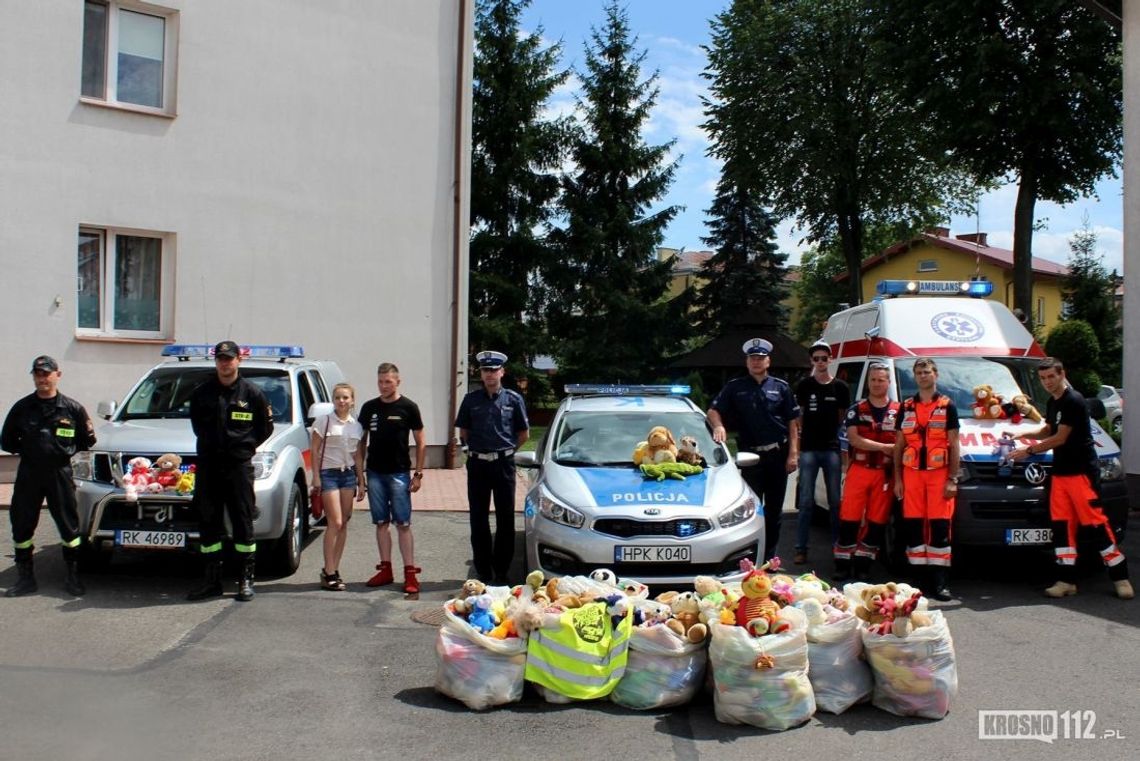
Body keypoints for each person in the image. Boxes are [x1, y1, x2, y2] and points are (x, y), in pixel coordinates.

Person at [1009, 357, 1133, 600]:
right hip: (1061, 475)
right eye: (1043, 378)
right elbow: (1048, 430)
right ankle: (1066, 581)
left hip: (1081, 474)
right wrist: (1021, 434)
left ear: (1061, 374)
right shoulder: (1054, 402)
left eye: (1051, 377)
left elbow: (1060, 438)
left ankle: (1121, 577)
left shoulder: (1073, 400)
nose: (1047, 382)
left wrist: (1029, 450)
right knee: (1062, 527)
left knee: (1096, 524)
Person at [2, 355, 96, 597]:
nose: (42, 378)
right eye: (38, 374)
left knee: (68, 526)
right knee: (22, 524)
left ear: (57, 375)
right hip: (29, 473)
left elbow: (87, 440)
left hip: (59, 473)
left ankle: (73, 577)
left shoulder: (72, 408)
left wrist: (61, 452)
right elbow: (7, 440)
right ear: (33, 376)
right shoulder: (22, 408)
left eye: (46, 373)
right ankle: (25, 579)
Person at [186, 341, 273, 602]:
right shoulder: (202, 393)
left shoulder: (253, 394)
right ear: (216, 361)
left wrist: (244, 448)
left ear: (239, 361)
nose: (225, 363)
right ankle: (211, 581)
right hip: (210, 466)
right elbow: (197, 427)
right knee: (208, 523)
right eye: (221, 358)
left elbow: (265, 428)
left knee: (242, 521)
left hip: (238, 467)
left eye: (229, 358)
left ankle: (245, 580)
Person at [709, 338, 801, 562]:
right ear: (747, 362)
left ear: (768, 361)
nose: (756, 362)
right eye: (752, 358)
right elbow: (713, 410)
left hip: (778, 455)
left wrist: (793, 454)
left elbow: (793, 423)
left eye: (760, 358)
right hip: (751, 456)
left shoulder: (781, 387)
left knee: (774, 511)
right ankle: (750, 558)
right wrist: (719, 426)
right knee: (750, 510)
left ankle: (770, 558)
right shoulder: (735, 387)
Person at [454, 350, 529, 585]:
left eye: (494, 370)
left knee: (505, 519)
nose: (490, 375)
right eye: (486, 370)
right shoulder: (470, 400)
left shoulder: (513, 399)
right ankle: (483, 570)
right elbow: (464, 432)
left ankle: (502, 571)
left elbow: (523, 434)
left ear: (502, 372)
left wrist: (505, 453)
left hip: (503, 465)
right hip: (478, 464)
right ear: (481, 373)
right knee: (478, 518)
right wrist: (475, 451)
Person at [893, 357, 960, 601]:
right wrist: (897, 478)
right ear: (915, 376)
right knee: (913, 528)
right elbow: (899, 445)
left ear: (936, 375)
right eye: (919, 372)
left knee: (940, 529)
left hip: (939, 476)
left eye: (927, 371)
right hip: (911, 476)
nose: (923, 375)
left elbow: (954, 445)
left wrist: (953, 478)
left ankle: (940, 582)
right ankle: (917, 582)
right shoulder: (906, 407)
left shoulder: (947, 406)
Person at [358, 363, 426, 594]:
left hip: (399, 473)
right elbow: (360, 441)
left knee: (403, 524)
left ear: (398, 381)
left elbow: (421, 442)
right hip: (375, 473)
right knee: (381, 523)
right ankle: (385, 569)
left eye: (388, 381)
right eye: (380, 381)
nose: (384, 385)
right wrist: (360, 475)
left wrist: (418, 474)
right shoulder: (369, 408)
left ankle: (410, 573)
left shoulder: (409, 407)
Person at [833, 362, 899, 581]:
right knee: (849, 516)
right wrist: (883, 447)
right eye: (873, 380)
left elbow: (902, 444)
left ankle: (863, 565)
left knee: (877, 520)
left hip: (885, 473)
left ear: (889, 383)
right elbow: (854, 439)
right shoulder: (856, 409)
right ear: (868, 382)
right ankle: (842, 563)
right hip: (859, 469)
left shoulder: (899, 412)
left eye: (881, 380)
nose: (877, 383)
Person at [792, 340, 849, 565]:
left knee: (835, 501)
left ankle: (839, 547)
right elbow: (799, 417)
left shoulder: (841, 387)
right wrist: (797, 447)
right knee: (806, 502)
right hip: (809, 450)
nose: (821, 362)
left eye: (824, 358)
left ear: (830, 360)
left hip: (832, 449)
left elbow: (842, 418)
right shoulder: (805, 385)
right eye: (816, 359)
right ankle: (800, 548)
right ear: (811, 361)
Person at [310, 382, 365, 591]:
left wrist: (361, 481)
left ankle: (334, 569)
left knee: (344, 523)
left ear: (352, 401)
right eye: (338, 398)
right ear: (333, 400)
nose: (341, 401)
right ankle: (329, 571)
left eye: (345, 398)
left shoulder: (356, 425)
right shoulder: (323, 422)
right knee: (335, 521)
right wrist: (316, 477)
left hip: (348, 475)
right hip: (328, 474)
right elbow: (314, 451)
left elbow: (357, 455)